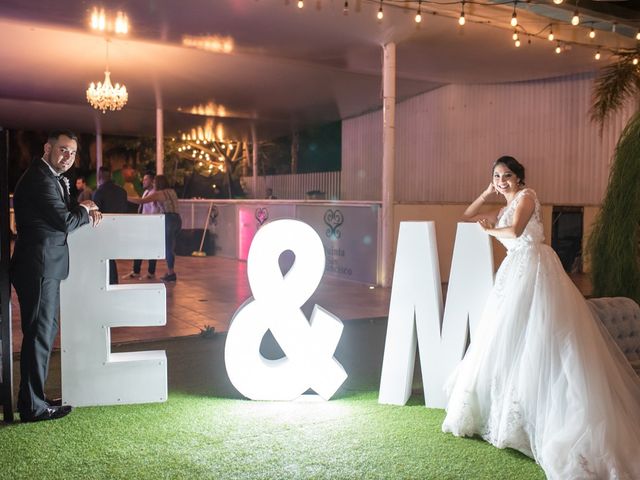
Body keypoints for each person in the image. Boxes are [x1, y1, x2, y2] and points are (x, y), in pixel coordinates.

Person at [441, 156, 640, 479]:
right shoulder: (504, 202)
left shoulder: (526, 197)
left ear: (519, 178)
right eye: (497, 176)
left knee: (541, 334)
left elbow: (517, 231)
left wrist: (491, 232)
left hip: (534, 268)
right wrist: (485, 193)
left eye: (507, 175)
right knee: (506, 337)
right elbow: (467, 216)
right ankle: (505, 410)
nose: (503, 180)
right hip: (513, 273)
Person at [10, 130, 102, 422]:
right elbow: (63, 221)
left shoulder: (47, 176)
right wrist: (86, 211)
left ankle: (33, 398)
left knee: (43, 333)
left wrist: (80, 207)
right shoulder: (39, 178)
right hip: (38, 267)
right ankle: (33, 407)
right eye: (63, 150)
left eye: (73, 153)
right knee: (39, 334)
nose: (68, 157)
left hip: (42, 266)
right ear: (47, 148)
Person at [128, 174, 181, 282]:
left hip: (168, 219)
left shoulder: (159, 194)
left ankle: (171, 273)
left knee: (168, 248)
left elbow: (141, 201)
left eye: (155, 182)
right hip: (177, 219)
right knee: (170, 246)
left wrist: (126, 197)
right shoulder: (172, 192)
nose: (153, 184)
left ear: (158, 183)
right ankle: (170, 271)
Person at [93, 166, 129, 284]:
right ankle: (113, 281)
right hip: (119, 228)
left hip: (104, 229)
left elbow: (95, 213)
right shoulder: (122, 191)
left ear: (100, 177)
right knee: (110, 256)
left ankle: (107, 281)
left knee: (104, 257)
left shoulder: (99, 192)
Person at [122, 172, 159, 280]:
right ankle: (136, 271)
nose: (143, 181)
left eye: (146, 179)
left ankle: (151, 273)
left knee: (151, 248)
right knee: (138, 247)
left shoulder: (154, 193)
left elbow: (153, 210)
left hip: (151, 225)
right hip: (143, 224)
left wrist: (126, 197)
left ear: (152, 181)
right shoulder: (146, 192)